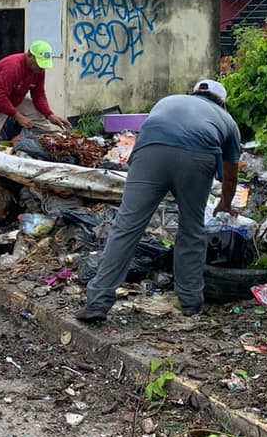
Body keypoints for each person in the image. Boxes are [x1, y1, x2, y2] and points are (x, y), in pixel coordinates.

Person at [76, 79, 241, 323]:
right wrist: (225, 203)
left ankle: (98, 301)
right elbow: (231, 172)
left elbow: (153, 132)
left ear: (193, 93)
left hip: (149, 153)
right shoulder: (227, 120)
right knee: (191, 230)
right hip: (197, 157)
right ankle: (191, 303)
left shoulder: (168, 101)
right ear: (222, 102)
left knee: (126, 227)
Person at [0, 40, 71, 148]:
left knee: (37, 113)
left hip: (13, 98)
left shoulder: (39, 71)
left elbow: (38, 94)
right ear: (30, 55)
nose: (41, 68)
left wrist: (50, 115)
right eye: (39, 63)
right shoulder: (13, 67)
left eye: (44, 64)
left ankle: (45, 142)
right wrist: (18, 117)